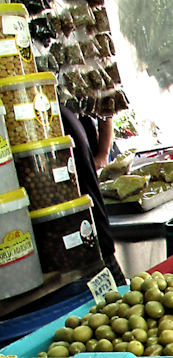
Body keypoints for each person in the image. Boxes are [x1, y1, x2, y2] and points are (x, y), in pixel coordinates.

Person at [60, 107, 125, 284]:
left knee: (113, 298)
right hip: (91, 242)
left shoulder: (61, 124)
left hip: (88, 248)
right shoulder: (66, 117)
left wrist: (103, 154)